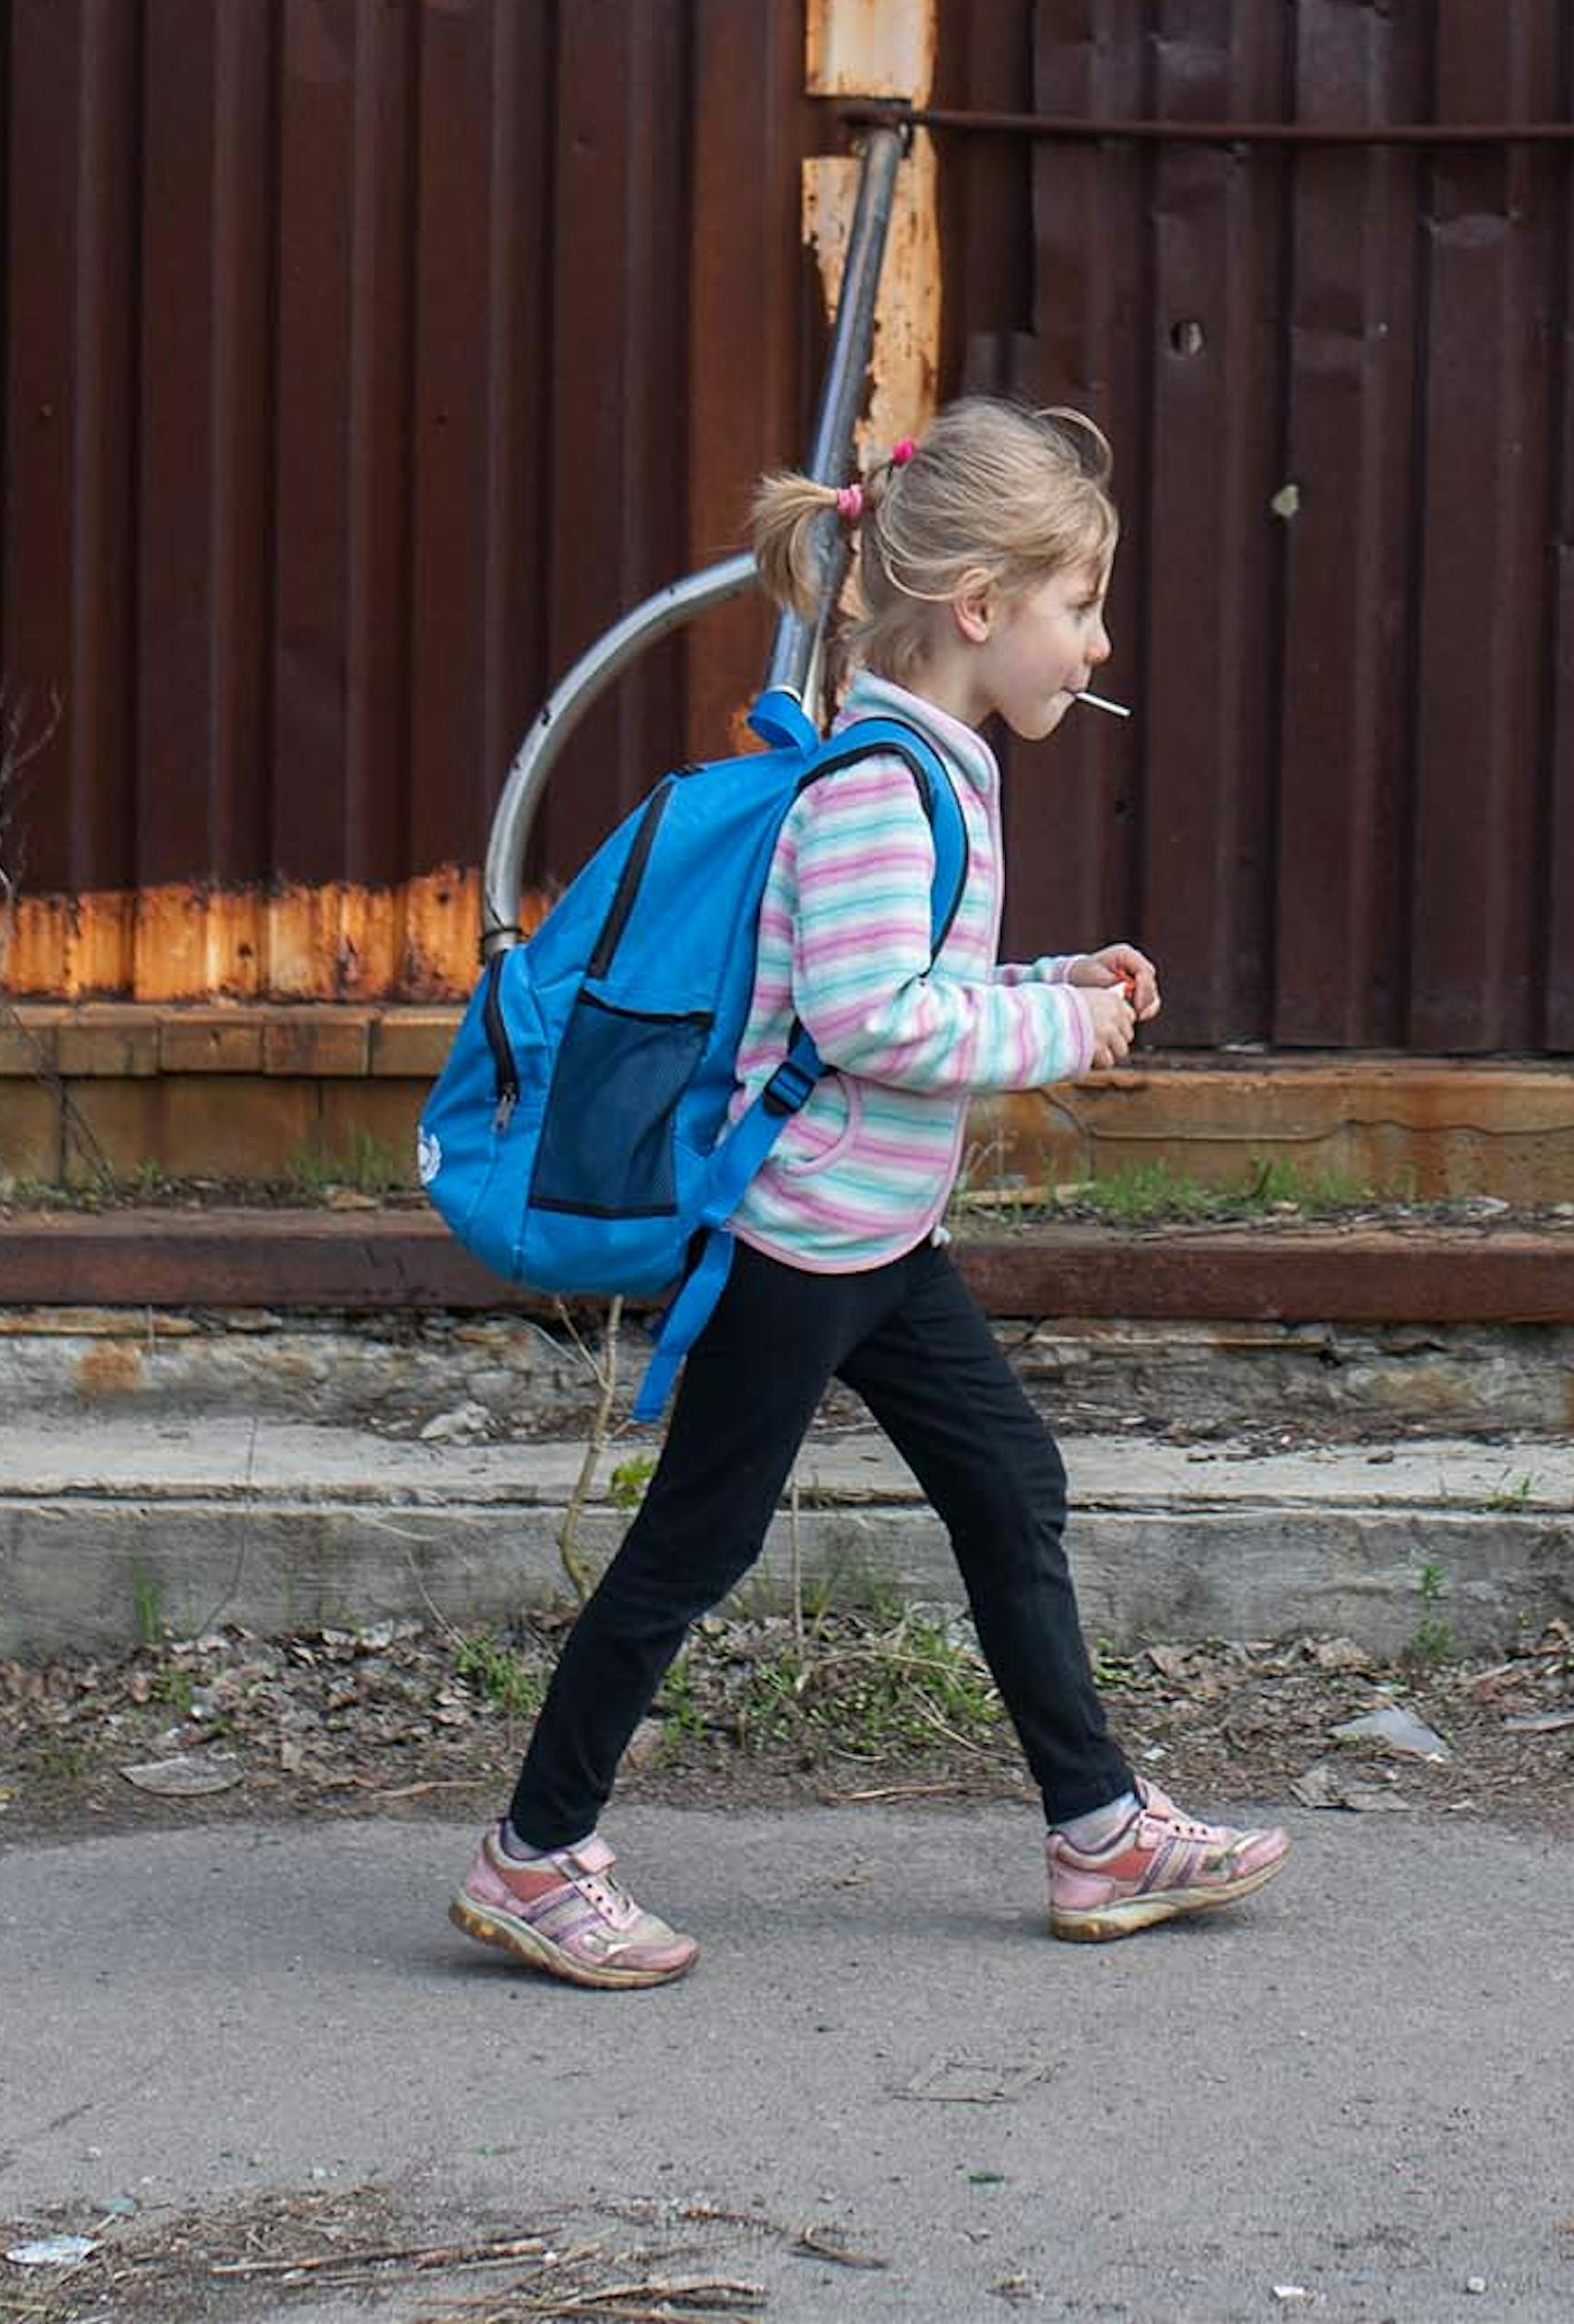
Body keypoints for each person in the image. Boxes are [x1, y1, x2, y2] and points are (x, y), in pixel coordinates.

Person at [449, 398, 1291, 1986]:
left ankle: (1098, 1830)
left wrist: (1050, 972)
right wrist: (1063, 1029)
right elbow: (869, 1020)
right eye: (1079, 609)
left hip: (877, 1236)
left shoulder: (936, 772)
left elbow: (905, 982)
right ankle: (535, 1858)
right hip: (805, 1241)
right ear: (979, 608)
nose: (1098, 647)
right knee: (694, 1548)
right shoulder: (875, 786)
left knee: (1008, 1483)